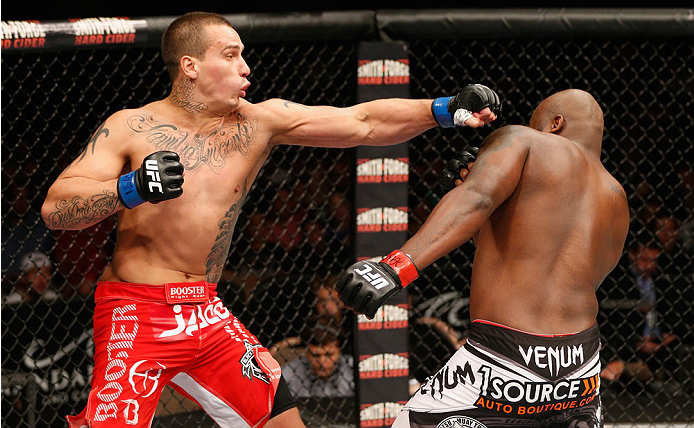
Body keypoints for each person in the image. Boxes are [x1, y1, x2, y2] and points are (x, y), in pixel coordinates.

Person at [39, 11, 500, 428]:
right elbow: (57, 209)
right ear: (190, 66)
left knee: (283, 422)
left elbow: (363, 122)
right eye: (231, 55)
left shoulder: (258, 123)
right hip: (135, 312)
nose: (246, 68)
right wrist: (131, 188)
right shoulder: (130, 126)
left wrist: (442, 108)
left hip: (205, 309)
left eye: (244, 55)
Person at [336, 89, 630, 427]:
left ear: (556, 123)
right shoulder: (616, 196)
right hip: (582, 371)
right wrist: (490, 225)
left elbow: (476, 199)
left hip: (504, 360)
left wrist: (393, 267)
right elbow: (558, 273)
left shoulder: (524, 139)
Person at [280, 320, 354, 398]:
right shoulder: (291, 371)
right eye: (316, 355)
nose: (322, 362)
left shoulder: (354, 368)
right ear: (307, 352)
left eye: (329, 355)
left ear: (339, 351)